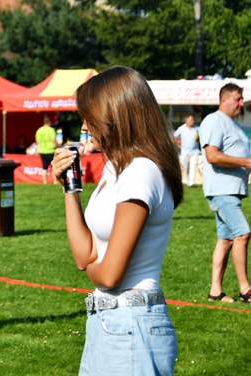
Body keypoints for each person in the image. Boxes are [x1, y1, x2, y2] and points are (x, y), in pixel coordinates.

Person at [51, 66, 181, 375]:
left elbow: (108, 275)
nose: (84, 126)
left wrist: (99, 266)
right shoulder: (115, 170)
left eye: (89, 117)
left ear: (114, 115)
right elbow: (84, 257)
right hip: (108, 322)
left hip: (132, 323)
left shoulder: (142, 172)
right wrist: (69, 189)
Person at [200, 83, 251, 303]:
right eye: (238, 99)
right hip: (221, 190)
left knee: (226, 239)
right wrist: (246, 162)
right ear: (224, 100)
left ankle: (215, 292)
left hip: (233, 190)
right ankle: (245, 290)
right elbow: (212, 155)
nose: (242, 103)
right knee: (243, 233)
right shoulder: (214, 120)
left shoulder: (234, 125)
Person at [173, 114, 200, 187]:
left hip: (195, 151)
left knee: (193, 167)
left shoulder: (197, 128)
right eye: (191, 120)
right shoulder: (181, 128)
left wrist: (198, 138)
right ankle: (188, 181)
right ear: (186, 121)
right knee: (186, 168)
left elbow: (202, 137)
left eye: (193, 120)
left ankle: (191, 183)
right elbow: (175, 137)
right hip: (185, 151)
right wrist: (178, 145)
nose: (193, 121)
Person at [36, 115, 58, 184]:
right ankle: (55, 181)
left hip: (42, 150)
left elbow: (37, 142)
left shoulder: (39, 130)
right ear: (49, 122)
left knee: (44, 167)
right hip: (51, 150)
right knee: (53, 167)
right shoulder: (51, 130)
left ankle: (45, 181)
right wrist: (58, 146)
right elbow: (53, 140)